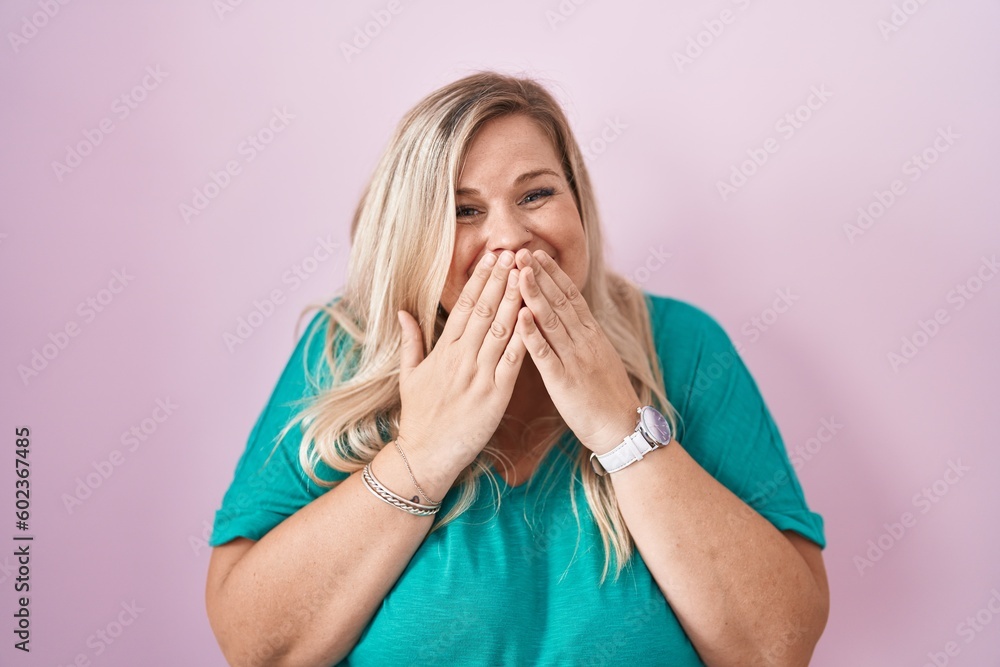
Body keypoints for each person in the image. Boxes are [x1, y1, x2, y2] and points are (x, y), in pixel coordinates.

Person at [204, 71, 830, 667]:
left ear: (578, 203)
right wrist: (422, 453)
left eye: (536, 194)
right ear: (415, 235)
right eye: (464, 210)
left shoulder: (684, 345)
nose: (509, 237)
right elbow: (258, 649)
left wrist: (621, 428)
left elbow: (775, 649)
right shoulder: (343, 350)